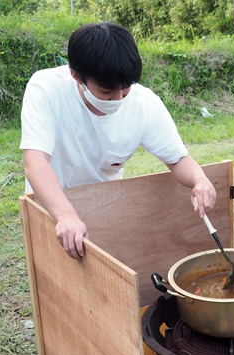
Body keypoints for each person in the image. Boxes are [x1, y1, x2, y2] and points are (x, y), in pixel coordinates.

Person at [20, 22, 216, 261]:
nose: (118, 99)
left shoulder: (144, 103)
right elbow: (35, 162)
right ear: (76, 76)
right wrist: (65, 215)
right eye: (106, 92)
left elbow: (178, 159)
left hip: (105, 207)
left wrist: (199, 179)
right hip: (53, 208)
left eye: (125, 90)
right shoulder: (46, 88)